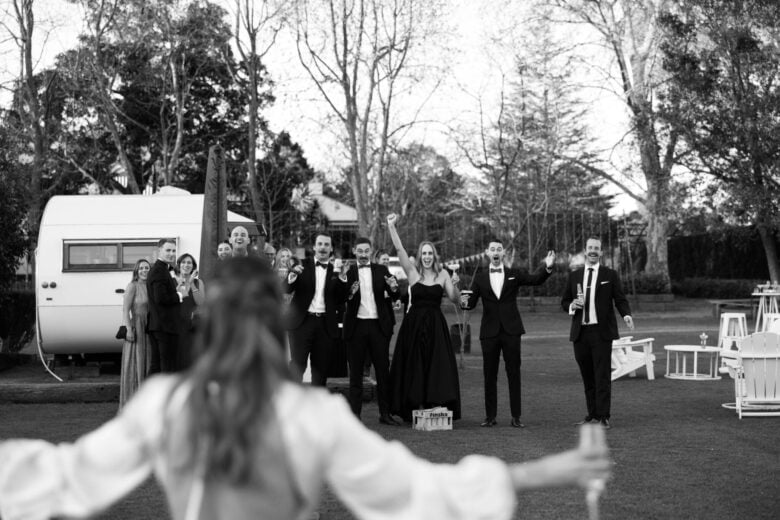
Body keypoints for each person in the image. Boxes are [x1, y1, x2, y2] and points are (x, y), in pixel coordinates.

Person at [0, 257, 612, 520]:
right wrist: (547, 471)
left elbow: (59, 476)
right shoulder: (310, 414)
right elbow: (418, 490)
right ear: (275, 323)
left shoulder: (168, 404)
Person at [461, 239, 556, 428]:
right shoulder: (479, 278)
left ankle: (516, 416)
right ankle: (490, 417)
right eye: (492, 249)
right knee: (489, 375)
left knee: (514, 373)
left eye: (499, 249)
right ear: (487, 253)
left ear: (503, 253)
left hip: (511, 331)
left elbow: (535, 280)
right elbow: (469, 304)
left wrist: (548, 267)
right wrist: (460, 296)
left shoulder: (514, 274)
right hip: (489, 332)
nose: (496, 252)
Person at [386, 213, 462, 422]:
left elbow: (455, 299)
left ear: (434, 255)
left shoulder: (443, 274)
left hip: (436, 325)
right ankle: (413, 405)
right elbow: (400, 249)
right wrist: (391, 226)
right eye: (424, 253)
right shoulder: (412, 272)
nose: (427, 256)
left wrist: (456, 285)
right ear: (420, 256)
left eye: (430, 253)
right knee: (414, 364)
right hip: (414, 325)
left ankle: (433, 403)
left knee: (436, 365)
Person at [561, 237, 634, 430]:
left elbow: (620, 299)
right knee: (587, 376)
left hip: (601, 333)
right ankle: (592, 414)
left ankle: (603, 416)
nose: (593, 251)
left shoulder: (610, 274)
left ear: (601, 252)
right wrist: (571, 306)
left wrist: (626, 315)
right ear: (585, 251)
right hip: (580, 333)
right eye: (590, 248)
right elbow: (564, 301)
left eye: (597, 248)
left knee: (602, 376)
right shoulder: (574, 276)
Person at [342, 238, 400, 425]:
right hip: (356, 326)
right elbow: (340, 297)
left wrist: (394, 287)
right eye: (360, 251)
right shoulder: (348, 272)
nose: (363, 254)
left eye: (366, 251)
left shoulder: (381, 270)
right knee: (356, 374)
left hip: (378, 326)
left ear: (370, 251)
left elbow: (396, 294)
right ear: (354, 251)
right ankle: (355, 416)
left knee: (383, 372)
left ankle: (385, 414)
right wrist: (349, 292)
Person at [284, 233, 346, 386]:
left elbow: (341, 299)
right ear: (314, 247)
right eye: (320, 244)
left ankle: (317, 399)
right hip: (301, 323)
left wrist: (342, 278)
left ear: (331, 249)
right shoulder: (301, 265)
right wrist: (292, 274)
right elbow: (286, 289)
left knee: (320, 369)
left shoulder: (336, 270)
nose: (323, 247)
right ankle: (293, 399)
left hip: (325, 325)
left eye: (326, 244)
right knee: (297, 365)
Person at [147, 238, 185, 374]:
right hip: (165, 327)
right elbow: (161, 298)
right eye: (168, 250)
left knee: (157, 367)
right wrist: (179, 295)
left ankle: (148, 389)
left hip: (159, 326)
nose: (171, 254)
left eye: (174, 251)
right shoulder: (159, 270)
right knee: (166, 367)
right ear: (159, 251)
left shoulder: (160, 269)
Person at [118, 259, 151, 408]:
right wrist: (128, 328)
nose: (144, 270)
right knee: (135, 363)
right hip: (136, 326)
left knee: (147, 362)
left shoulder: (151, 286)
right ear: (137, 271)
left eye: (147, 268)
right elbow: (125, 309)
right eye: (141, 268)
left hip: (149, 327)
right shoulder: (132, 286)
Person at [175, 253, 206, 370]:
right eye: (183, 262)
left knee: (192, 358)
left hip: (193, 326)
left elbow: (201, 302)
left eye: (189, 263)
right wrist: (181, 284)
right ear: (179, 265)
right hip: (177, 324)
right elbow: (177, 299)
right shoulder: (173, 281)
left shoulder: (198, 282)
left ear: (193, 266)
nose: (186, 265)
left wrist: (192, 283)